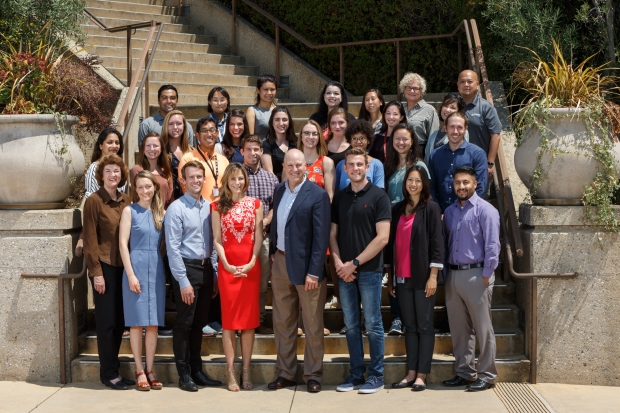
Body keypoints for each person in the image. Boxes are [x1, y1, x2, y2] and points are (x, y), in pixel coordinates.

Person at [267, 149, 331, 393]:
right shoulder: (280, 190)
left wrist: (314, 271)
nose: (294, 170)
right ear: (283, 166)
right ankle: (285, 373)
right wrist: (273, 249)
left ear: (306, 166)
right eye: (290, 165)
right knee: (283, 323)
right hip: (281, 264)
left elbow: (320, 237)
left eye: (299, 165)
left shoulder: (318, 195)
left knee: (313, 324)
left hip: (307, 269)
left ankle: (313, 374)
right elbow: (277, 223)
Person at [330, 147, 391, 394]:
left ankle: (376, 376)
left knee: (374, 323)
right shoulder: (340, 197)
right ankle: (356, 375)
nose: (355, 168)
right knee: (352, 324)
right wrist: (337, 263)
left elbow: (383, 238)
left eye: (360, 164)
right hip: (344, 272)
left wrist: (353, 263)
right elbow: (332, 235)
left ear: (368, 167)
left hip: (369, 271)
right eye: (351, 165)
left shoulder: (379, 196)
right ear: (344, 169)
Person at [165, 160, 222, 391]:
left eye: (200, 177)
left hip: (207, 269)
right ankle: (184, 373)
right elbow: (173, 248)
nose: (197, 181)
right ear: (183, 181)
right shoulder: (176, 209)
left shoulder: (210, 207)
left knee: (199, 324)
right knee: (184, 324)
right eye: (192, 177)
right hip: (186, 270)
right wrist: (183, 281)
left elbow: (214, 243)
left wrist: (215, 274)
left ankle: (197, 370)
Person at [385, 165, 443, 391]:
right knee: (410, 326)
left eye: (418, 180)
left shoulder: (431, 209)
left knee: (425, 326)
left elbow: (437, 245)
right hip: (401, 278)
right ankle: (410, 372)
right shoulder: (397, 209)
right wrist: (390, 277)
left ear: (424, 183)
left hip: (423, 277)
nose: (413, 184)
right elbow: (392, 246)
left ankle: (422, 374)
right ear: (405, 183)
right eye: (410, 180)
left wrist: (433, 276)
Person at [442, 165, 500, 392]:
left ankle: (487, 374)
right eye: (457, 183)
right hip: (453, 275)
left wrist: (486, 275)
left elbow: (493, 246)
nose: (461, 186)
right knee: (459, 329)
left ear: (475, 184)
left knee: (483, 328)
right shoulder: (450, 212)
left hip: (477, 274)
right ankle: (465, 372)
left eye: (466, 182)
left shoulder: (486, 210)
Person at [212, 163, 263, 391]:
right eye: (232, 179)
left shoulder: (255, 204)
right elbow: (217, 240)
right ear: (226, 182)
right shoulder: (216, 206)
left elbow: (259, 237)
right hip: (227, 268)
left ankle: (246, 370)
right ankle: (230, 371)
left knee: (249, 322)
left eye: (240, 179)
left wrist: (252, 262)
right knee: (230, 323)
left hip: (250, 267)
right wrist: (226, 264)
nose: (237, 183)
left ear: (245, 180)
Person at [82, 154, 132, 390]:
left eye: (117, 171)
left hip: (124, 269)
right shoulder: (94, 201)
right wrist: (96, 273)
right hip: (105, 268)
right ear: (101, 175)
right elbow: (90, 239)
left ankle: (115, 370)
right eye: (109, 171)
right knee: (106, 323)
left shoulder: (126, 200)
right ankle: (108, 374)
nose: (114, 175)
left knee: (120, 322)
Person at [118, 170, 166, 391]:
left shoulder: (161, 213)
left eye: (148, 186)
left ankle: (150, 368)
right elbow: (122, 244)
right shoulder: (129, 211)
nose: (144, 190)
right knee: (137, 323)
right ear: (134, 190)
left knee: (153, 324)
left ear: (154, 187)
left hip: (155, 270)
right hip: (135, 268)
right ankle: (139, 369)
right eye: (140, 187)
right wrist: (130, 275)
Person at [384, 123, 429, 336]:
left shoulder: (419, 165)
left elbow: (426, 195)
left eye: (405, 139)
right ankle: (397, 317)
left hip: (412, 222)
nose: (401, 143)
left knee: (410, 269)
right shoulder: (389, 165)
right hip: (391, 221)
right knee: (394, 267)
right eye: (397, 139)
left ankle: (411, 317)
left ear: (412, 142)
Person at [241, 135, 279, 334]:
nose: (253, 153)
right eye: (249, 149)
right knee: (242, 280)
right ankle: (241, 320)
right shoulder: (236, 175)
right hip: (239, 239)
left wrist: (262, 223)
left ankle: (259, 319)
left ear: (261, 152)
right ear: (242, 152)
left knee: (262, 281)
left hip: (263, 237)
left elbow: (275, 206)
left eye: (256, 149)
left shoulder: (271, 178)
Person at [428, 112, 488, 213]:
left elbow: (480, 187)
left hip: (468, 213)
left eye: (460, 127)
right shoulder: (435, 155)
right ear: (446, 128)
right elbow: (430, 187)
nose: (455, 131)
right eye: (452, 127)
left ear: (466, 129)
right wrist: (437, 211)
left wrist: (464, 212)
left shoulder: (477, 154)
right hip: (441, 214)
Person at [457, 69, 502, 178]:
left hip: (478, 164)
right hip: (456, 161)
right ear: (457, 85)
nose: (466, 84)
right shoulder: (453, 106)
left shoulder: (486, 107)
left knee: (479, 194)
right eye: (462, 82)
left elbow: (495, 136)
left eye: (470, 81)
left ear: (477, 85)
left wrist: (490, 163)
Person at [178, 117, 230, 202]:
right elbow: (185, 188)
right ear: (197, 135)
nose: (209, 134)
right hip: (197, 210)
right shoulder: (188, 159)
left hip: (221, 210)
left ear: (217, 133)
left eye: (212, 130)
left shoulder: (224, 160)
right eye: (204, 131)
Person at [335, 119, 384, 191]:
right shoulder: (341, 164)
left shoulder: (377, 164)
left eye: (362, 138)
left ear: (368, 140)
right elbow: (336, 190)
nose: (358, 141)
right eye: (354, 138)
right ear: (349, 141)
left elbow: (380, 192)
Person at [130, 132, 174, 209]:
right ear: (143, 149)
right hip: (143, 216)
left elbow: (170, 200)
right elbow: (135, 198)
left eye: (155, 146)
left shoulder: (166, 172)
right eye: (148, 146)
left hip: (163, 217)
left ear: (161, 149)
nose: (152, 149)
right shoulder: (137, 170)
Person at [400, 72, 439, 157]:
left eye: (415, 88)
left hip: (420, 153)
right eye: (408, 88)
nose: (412, 91)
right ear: (403, 90)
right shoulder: (400, 109)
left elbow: (433, 138)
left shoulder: (429, 110)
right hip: (399, 151)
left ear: (421, 92)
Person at [424, 93, 469, 163]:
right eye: (445, 106)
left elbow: (463, 156)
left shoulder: (461, 132)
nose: (447, 110)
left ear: (458, 112)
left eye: (452, 107)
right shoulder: (434, 134)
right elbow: (427, 158)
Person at [297, 120, 335, 200]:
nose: (311, 137)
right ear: (301, 136)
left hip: (318, 209)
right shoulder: (293, 160)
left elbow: (329, 196)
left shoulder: (327, 162)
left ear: (319, 137)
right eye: (307, 133)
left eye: (315, 134)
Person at [162, 110, 193, 201]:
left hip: (189, 200)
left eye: (178, 123)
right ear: (166, 126)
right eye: (171, 124)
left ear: (184, 126)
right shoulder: (160, 151)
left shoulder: (192, 151)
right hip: (167, 200)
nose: (175, 127)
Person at [84, 128, 125, 199]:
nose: (114, 146)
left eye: (117, 143)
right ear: (100, 145)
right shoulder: (95, 167)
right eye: (110, 142)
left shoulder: (121, 168)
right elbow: (90, 197)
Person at [261, 107, 297, 180]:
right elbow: (268, 172)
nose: (281, 123)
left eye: (284, 120)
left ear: (289, 122)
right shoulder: (266, 145)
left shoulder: (296, 143)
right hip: (275, 186)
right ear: (272, 122)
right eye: (277, 120)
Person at [246, 74, 277, 141]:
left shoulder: (279, 111)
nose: (269, 92)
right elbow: (250, 138)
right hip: (261, 149)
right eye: (265, 89)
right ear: (258, 90)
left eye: (272, 89)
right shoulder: (252, 110)